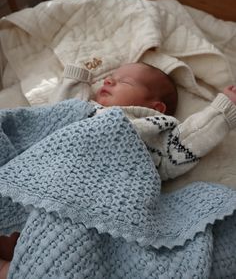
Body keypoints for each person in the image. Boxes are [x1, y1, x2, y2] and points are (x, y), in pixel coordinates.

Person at [0, 62, 236, 278]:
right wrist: (75, 78)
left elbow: (192, 139)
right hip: (43, 179)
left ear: (156, 106)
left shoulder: (153, 129)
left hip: (95, 198)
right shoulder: (83, 111)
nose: (108, 81)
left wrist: (222, 111)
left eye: (124, 81)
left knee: (60, 236)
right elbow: (58, 111)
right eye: (109, 78)